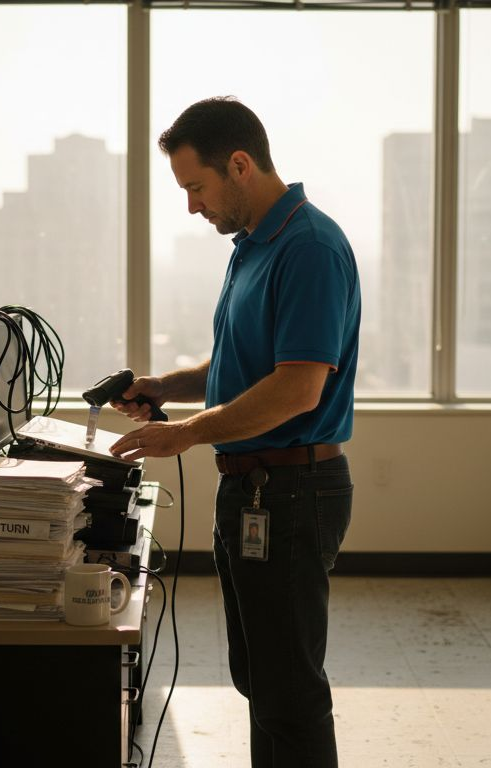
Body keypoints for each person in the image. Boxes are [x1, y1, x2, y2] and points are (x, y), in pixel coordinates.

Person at [108, 96, 359, 768]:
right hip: (256, 490)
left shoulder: (307, 248)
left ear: (240, 165)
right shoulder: (252, 245)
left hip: (292, 490)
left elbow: (297, 386)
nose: (192, 206)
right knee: (262, 680)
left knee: (289, 692)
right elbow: (241, 366)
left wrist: (186, 434)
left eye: (197, 187)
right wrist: (166, 389)